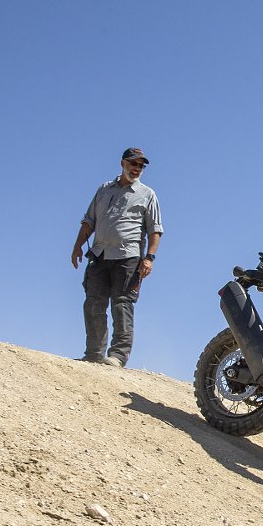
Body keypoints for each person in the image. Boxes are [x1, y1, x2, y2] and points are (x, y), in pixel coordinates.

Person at [70, 147, 164, 367]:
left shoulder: (147, 194)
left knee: (122, 304)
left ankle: (118, 356)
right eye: (134, 163)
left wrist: (149, 258)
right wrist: (77, 246)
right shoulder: (104, 189)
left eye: (141, 166)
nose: (137, 168)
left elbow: (155, 230)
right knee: (93, 303)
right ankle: (94, 353)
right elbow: (89, 221)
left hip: (128, 257)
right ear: (123, 163)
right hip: (100, 254)